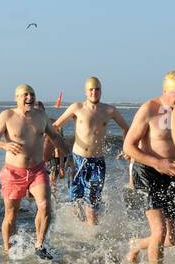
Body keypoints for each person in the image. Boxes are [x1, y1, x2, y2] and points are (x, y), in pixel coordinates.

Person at [0, 84, 70, 258]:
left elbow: (55, 136)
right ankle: (7, 250)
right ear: (17, 97)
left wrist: (69, 155)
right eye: (25, 95)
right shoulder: (7, 116)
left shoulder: (41, 116)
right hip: (13, 172)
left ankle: (39, 244)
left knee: (45, 205)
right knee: (11, 214)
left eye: (32, 94)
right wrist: (4, 144)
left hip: (37, 170)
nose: (29, 97)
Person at [124, 72, 175, 264]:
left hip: (174, 174)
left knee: (174, 237)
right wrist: (157, 163)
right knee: (159, 232)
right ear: (165, 92)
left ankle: (137, 244)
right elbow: (129, 146)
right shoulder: (149, 109)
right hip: (148, 171)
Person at [53, 76, 129, 225]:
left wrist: (126, 148)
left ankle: (92, 234)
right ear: (86, 92)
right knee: (75, 201)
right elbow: (56, 126)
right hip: (76, 161)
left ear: (101, 91)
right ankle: (78, 235)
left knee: (92, 204)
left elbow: (126, 128)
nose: (94, 92)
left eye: (97, 89)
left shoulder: (109, 110)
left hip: (97, 163)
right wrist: (59, 149)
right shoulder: (77, 107)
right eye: (91, 89)